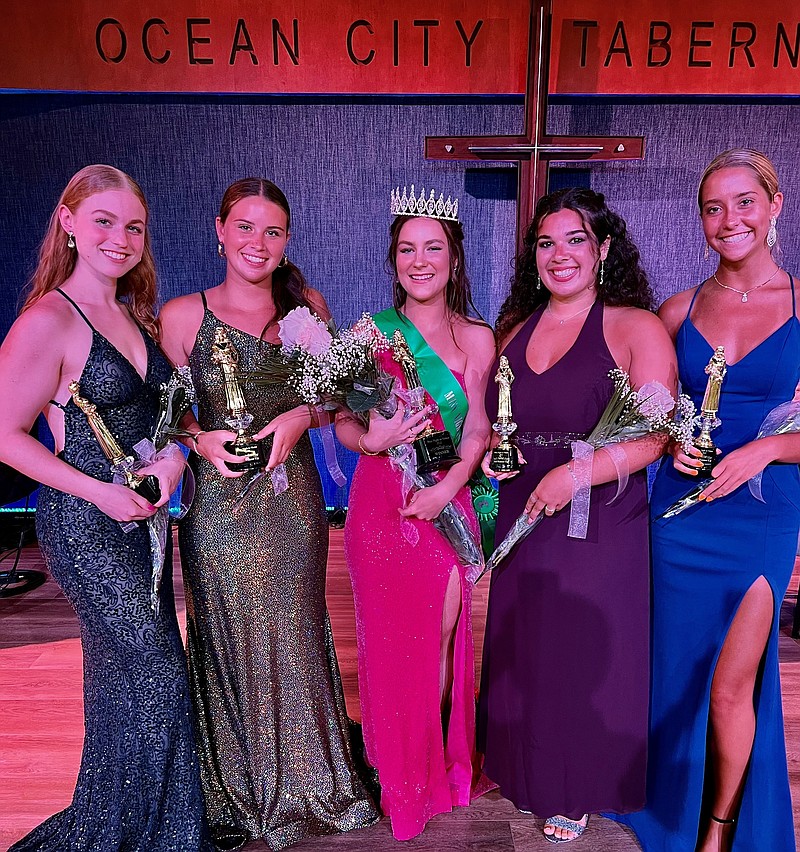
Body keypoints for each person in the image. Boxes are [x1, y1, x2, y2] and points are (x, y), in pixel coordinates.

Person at [158, 178, 378, 851]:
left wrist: (300, 415)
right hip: (217, 504)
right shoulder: (180, 315)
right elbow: (171, 418)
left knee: (293, 626)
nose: (259, 243)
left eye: (273, 231)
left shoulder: (305, 307)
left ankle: (310, 781)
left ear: (287, 241)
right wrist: (199, 439)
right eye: (245, 228)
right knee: (222, 630)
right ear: (219, 230)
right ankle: (234, 786)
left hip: (293, 501)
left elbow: (344, 401)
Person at [0, 165, 210, 851]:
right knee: (157, 676)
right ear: (66, 221)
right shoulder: (48, 319)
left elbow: (169, 419)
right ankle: (160, 838)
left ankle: (117, 826)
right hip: (87, 525)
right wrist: (99, 492)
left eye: (133, 227)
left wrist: (174, 461)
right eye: (103, 221)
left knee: (123, 683)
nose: (120, 239)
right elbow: (4, 436)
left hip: (141, 523)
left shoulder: (130, 314)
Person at [477, 187, 677, 843]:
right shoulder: (516, 330)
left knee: (579, 651)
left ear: (604, 250)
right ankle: (529, 772)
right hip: (523, 505)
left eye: (575, 241)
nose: (559, 255)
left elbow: (657, 435)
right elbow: (503, 424)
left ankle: (580, 783)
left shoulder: (633, 326)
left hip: (596, 515)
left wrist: (579, 470)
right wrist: (492, 460)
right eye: (546, 243)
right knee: (527, 645)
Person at [621, 150, 800, 851]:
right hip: (678, 514)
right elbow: (642, 411)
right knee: (675, 667)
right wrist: (669, 443)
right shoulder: (678, 308)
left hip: (761, 515)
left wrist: (767, 448)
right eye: (714, 208)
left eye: (745, 202)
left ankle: (719, 830)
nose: (730, 220)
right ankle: (667, 803)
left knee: (732, 682)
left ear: (775, 205)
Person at [335, 188, 497, 841]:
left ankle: (424, 770)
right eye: (408, 249)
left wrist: (449, 485)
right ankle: (396, 772)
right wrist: (369, 441)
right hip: (382, 504)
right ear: (393, 258)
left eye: (434, 247)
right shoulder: (367, 333)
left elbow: (479, 429)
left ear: (454, 259)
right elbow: (346, 422)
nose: (420, 260)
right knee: (388, 645)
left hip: (443, 502)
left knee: (434, 641)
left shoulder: (479, 339)